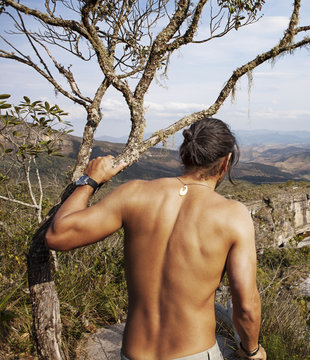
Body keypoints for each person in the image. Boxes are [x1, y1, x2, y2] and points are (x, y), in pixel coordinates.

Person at [46, 118, 266, 360]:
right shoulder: (233, 215)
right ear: (225, 162)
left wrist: (90, 180)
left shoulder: (134, 193)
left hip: (134, 353)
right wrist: (251, 350)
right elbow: (245, 304)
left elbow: (58, 235)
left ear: (183, 153)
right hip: (195, 353)